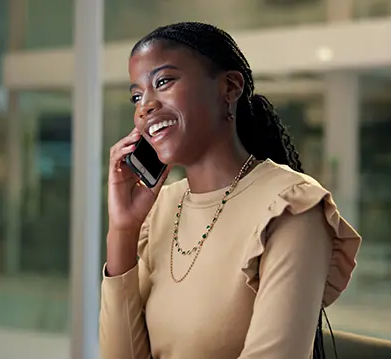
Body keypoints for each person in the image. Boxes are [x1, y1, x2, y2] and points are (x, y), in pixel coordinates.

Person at [101, 22, 362, 359]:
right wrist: (122, 231)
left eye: (163, 82)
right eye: (137, 95)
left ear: (229, 87)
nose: (144, 107)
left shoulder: (292, 207)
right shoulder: (162, 207)